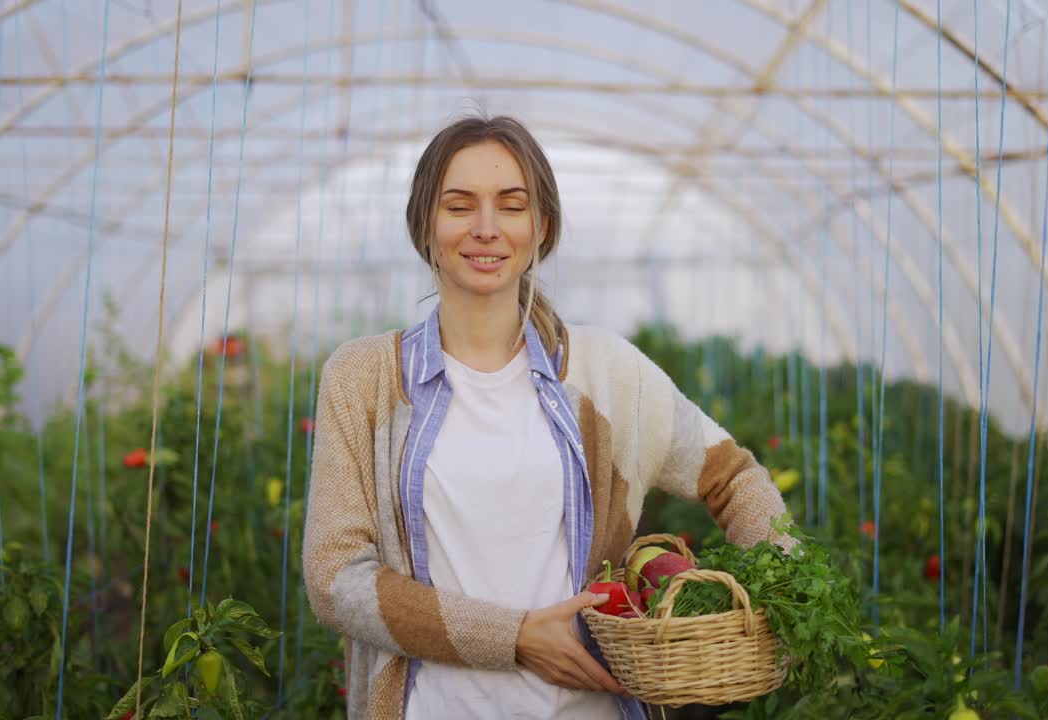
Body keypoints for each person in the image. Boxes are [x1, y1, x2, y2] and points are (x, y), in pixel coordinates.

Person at [301, 114, 795, 720]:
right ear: (424, 228)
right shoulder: (365, 378)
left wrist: (784, 592)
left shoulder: (605, 373)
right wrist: (515, 637)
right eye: (459, 206)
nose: (486, 228)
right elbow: (333, 578)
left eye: (512, 206)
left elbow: (733, 476)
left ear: (542, 228)